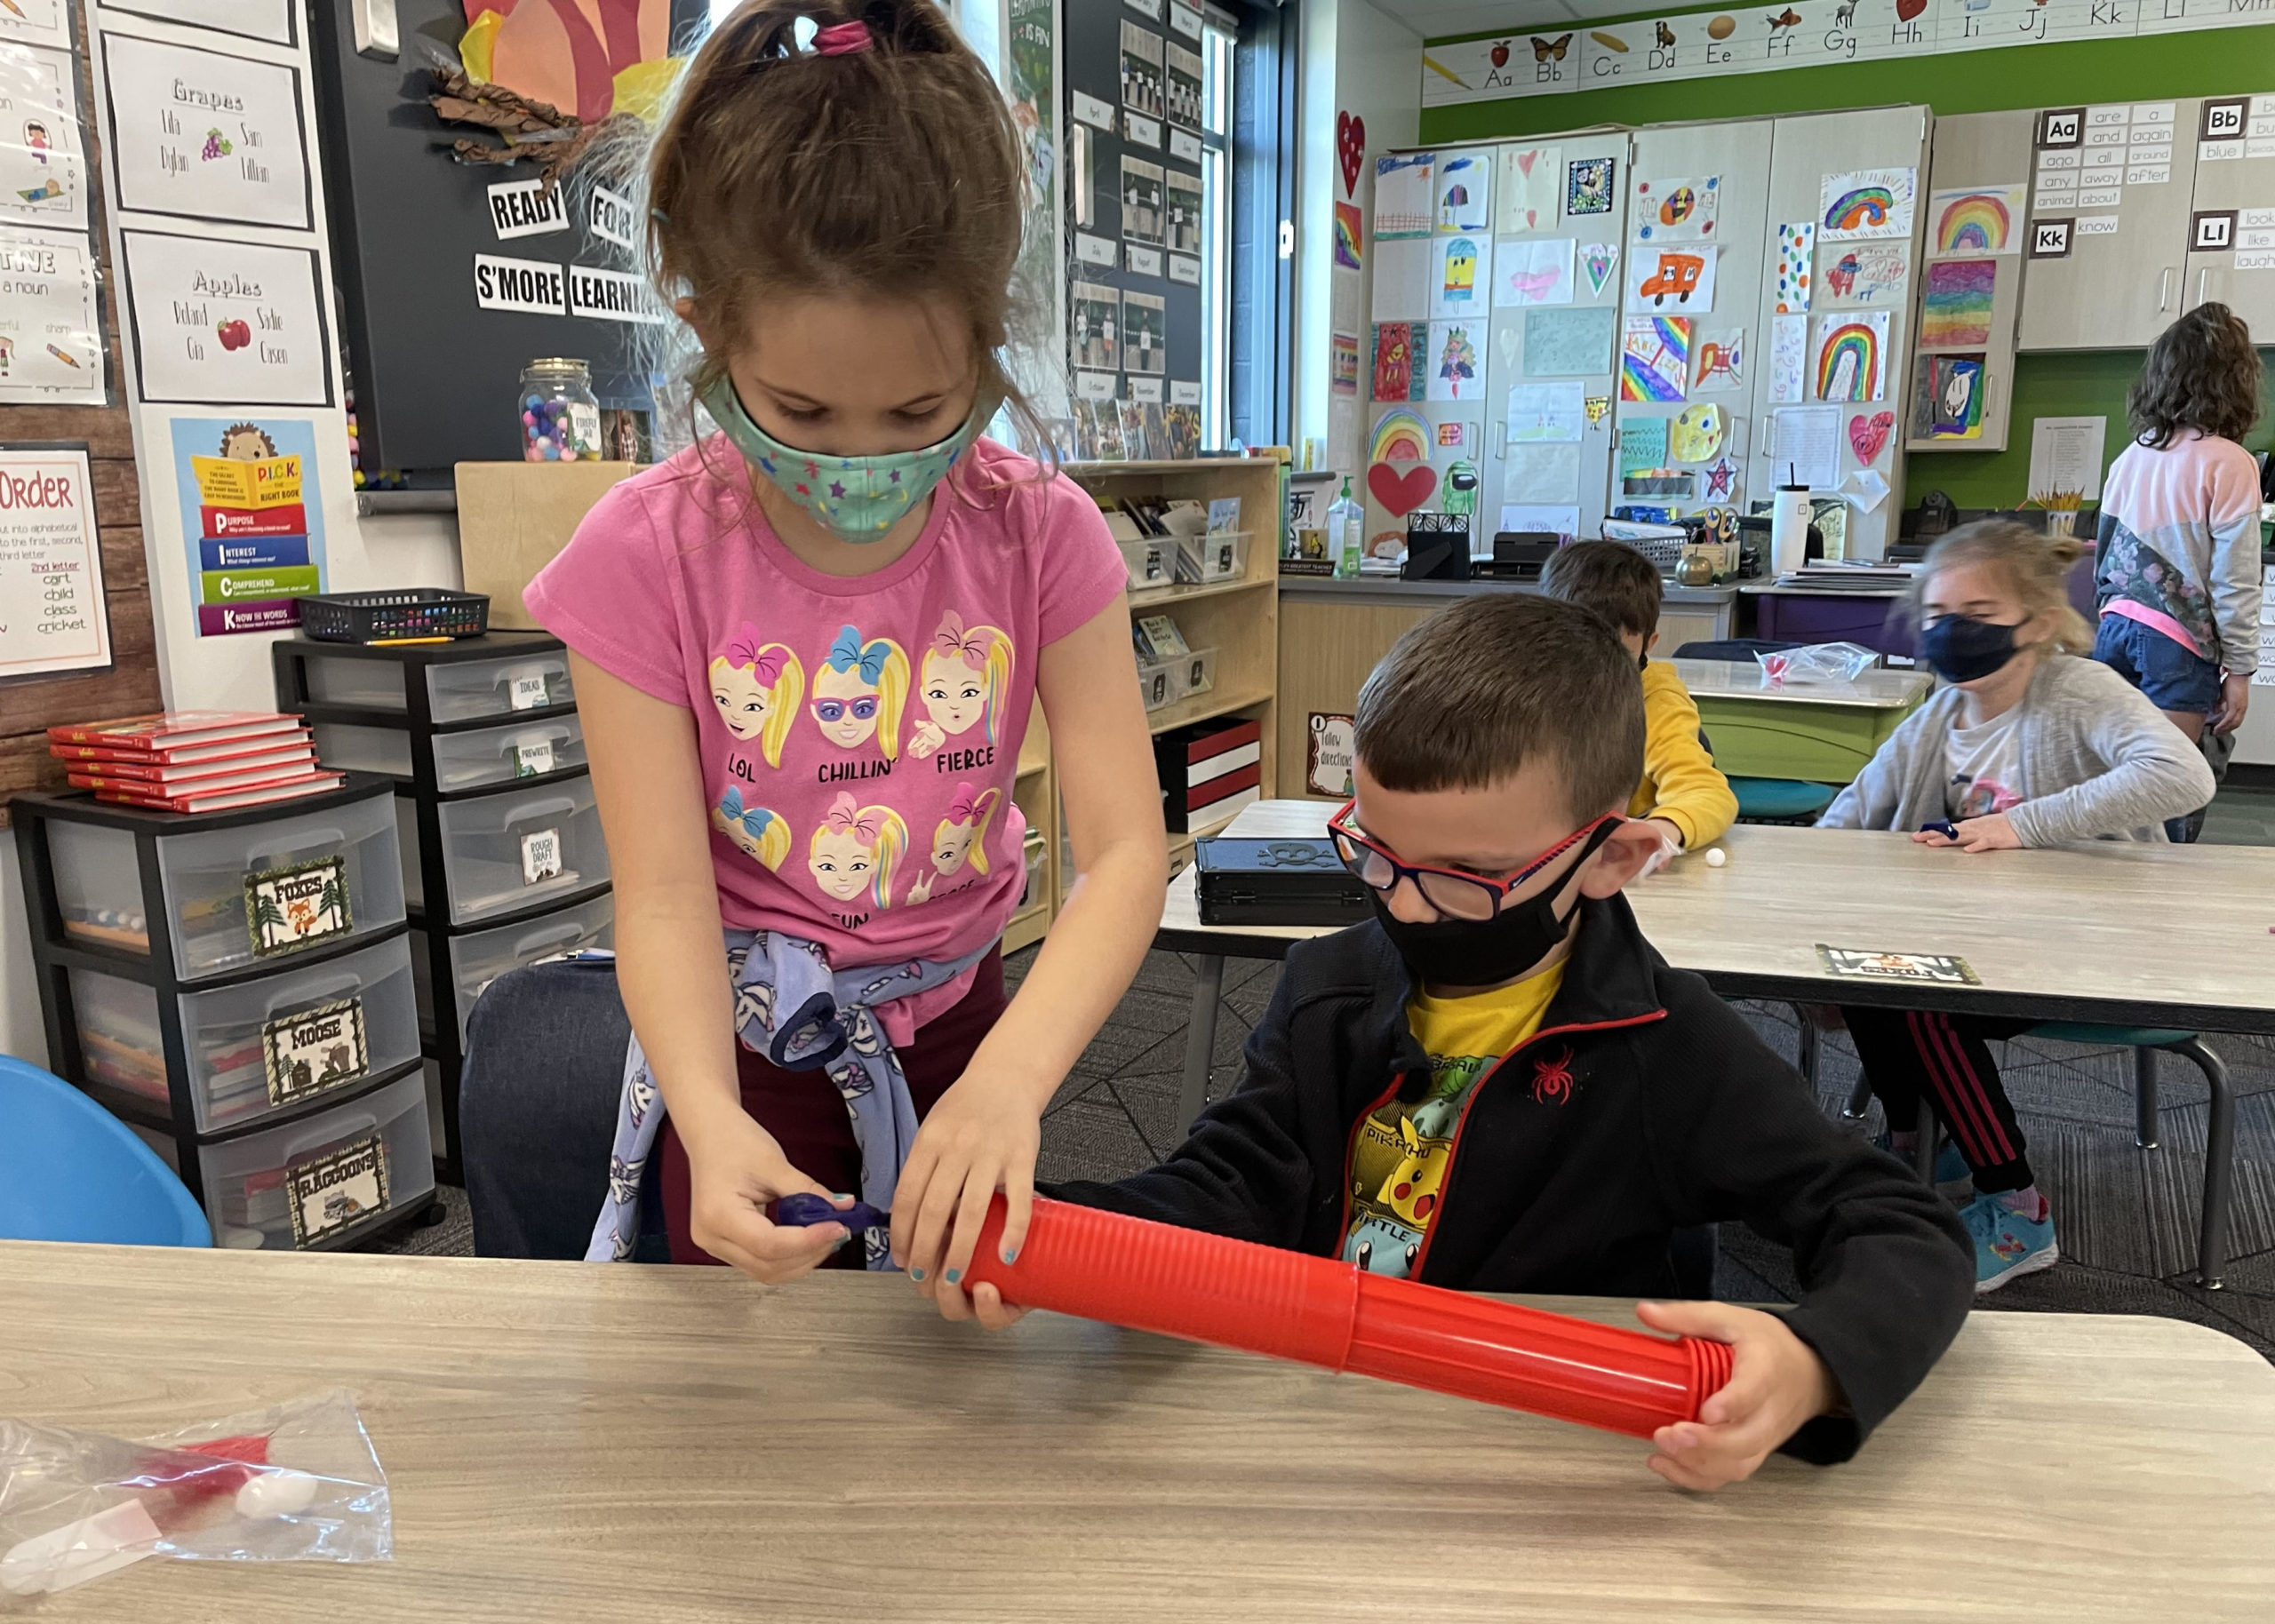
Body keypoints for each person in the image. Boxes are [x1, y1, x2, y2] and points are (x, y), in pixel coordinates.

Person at [938, 597, 1975, 1492]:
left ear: (1608, 858)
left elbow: (1902, 1227)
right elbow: (1236, 1182)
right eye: (1378, 857)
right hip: (1321, 1431)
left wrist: (1813, 1360)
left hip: (1545, 1461)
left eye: (1465, 877)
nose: (1408, 906)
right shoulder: (1328, 988)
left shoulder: (1666, 1045)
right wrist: (1061, 1235)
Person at [523, 0, 1165, 1290]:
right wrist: (708, 1113)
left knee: (957, 1366)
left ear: (990, 341)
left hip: (980, 1031)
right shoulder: (644, 554)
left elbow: (1126, 851)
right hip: (753, 1055)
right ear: (705, 327)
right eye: (802, 411)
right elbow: (661, 895)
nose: (862, 462)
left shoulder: (1043, 534)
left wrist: (1010, 1084)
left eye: (920, 409)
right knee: (775, 1397)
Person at [1820, 521, 2215, 1291]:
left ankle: (2019, 1210)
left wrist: (2016, 825)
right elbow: (1851, 816)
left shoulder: (2078, 690)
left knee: (1927, 999)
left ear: (2035, 622)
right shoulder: (1941, 714)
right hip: (1987, 940)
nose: (1950, 632)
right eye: (1937, 615)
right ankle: (1918, 1143)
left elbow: (2183, 776)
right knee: (1869, 969)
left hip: (2095, 946)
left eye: (1975, 611)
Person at [2093, 303, 2263, 837]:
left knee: (2113, 774)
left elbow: (2104, 555)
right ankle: (2163, 900)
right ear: (2235, 383)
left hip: (2115, 628)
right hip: (2178, 643)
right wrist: (2239, 670)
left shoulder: (2129, 458)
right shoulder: (2230, 462)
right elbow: (2235, 581)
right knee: (2171, 782)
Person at [1541, 540, 1738, 861]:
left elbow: (1706, 793)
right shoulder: (1527, 690)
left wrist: (1663, 831)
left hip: (1622, 869)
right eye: (1575, 652)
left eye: (1617, 656)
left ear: (1648, 646)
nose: (1596, 671)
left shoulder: (1656, 702)